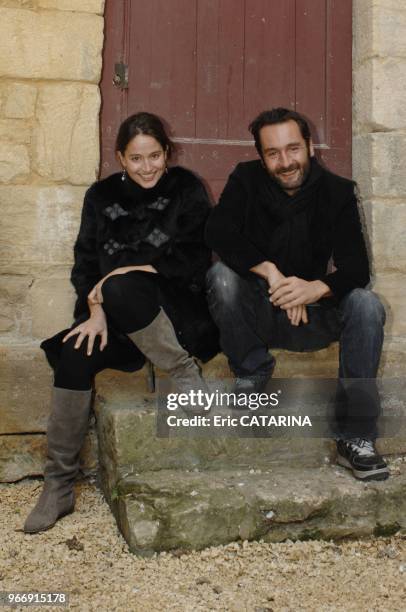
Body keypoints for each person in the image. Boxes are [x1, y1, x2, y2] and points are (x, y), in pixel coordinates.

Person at [24, 112, 219, 534]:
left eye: (154, 156)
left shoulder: (186, 188)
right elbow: (85, 265)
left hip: (175, 315)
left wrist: (119, 279)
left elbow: (195, 257)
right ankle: (58, 484)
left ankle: (183, 372)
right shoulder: (100, 196)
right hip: (113, 314)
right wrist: (95, 310)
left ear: (167, 153)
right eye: (136, 158)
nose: (147, 167)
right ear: (120, 158)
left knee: (122, 285)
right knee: (75, 351)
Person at [205, 107, 388, 482]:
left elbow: (356, 269)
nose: (285, 161)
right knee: (221, 276)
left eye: (293, 149)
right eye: (273, 153)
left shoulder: (338, 192)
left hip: (314, 316)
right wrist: (272, 273)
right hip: (261, 314)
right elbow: (218, 232)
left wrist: (313, 289)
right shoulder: (246, 179)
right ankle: (252, 370)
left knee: (367, 304)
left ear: (310, 146)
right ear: (261, 156)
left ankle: (355, 436)